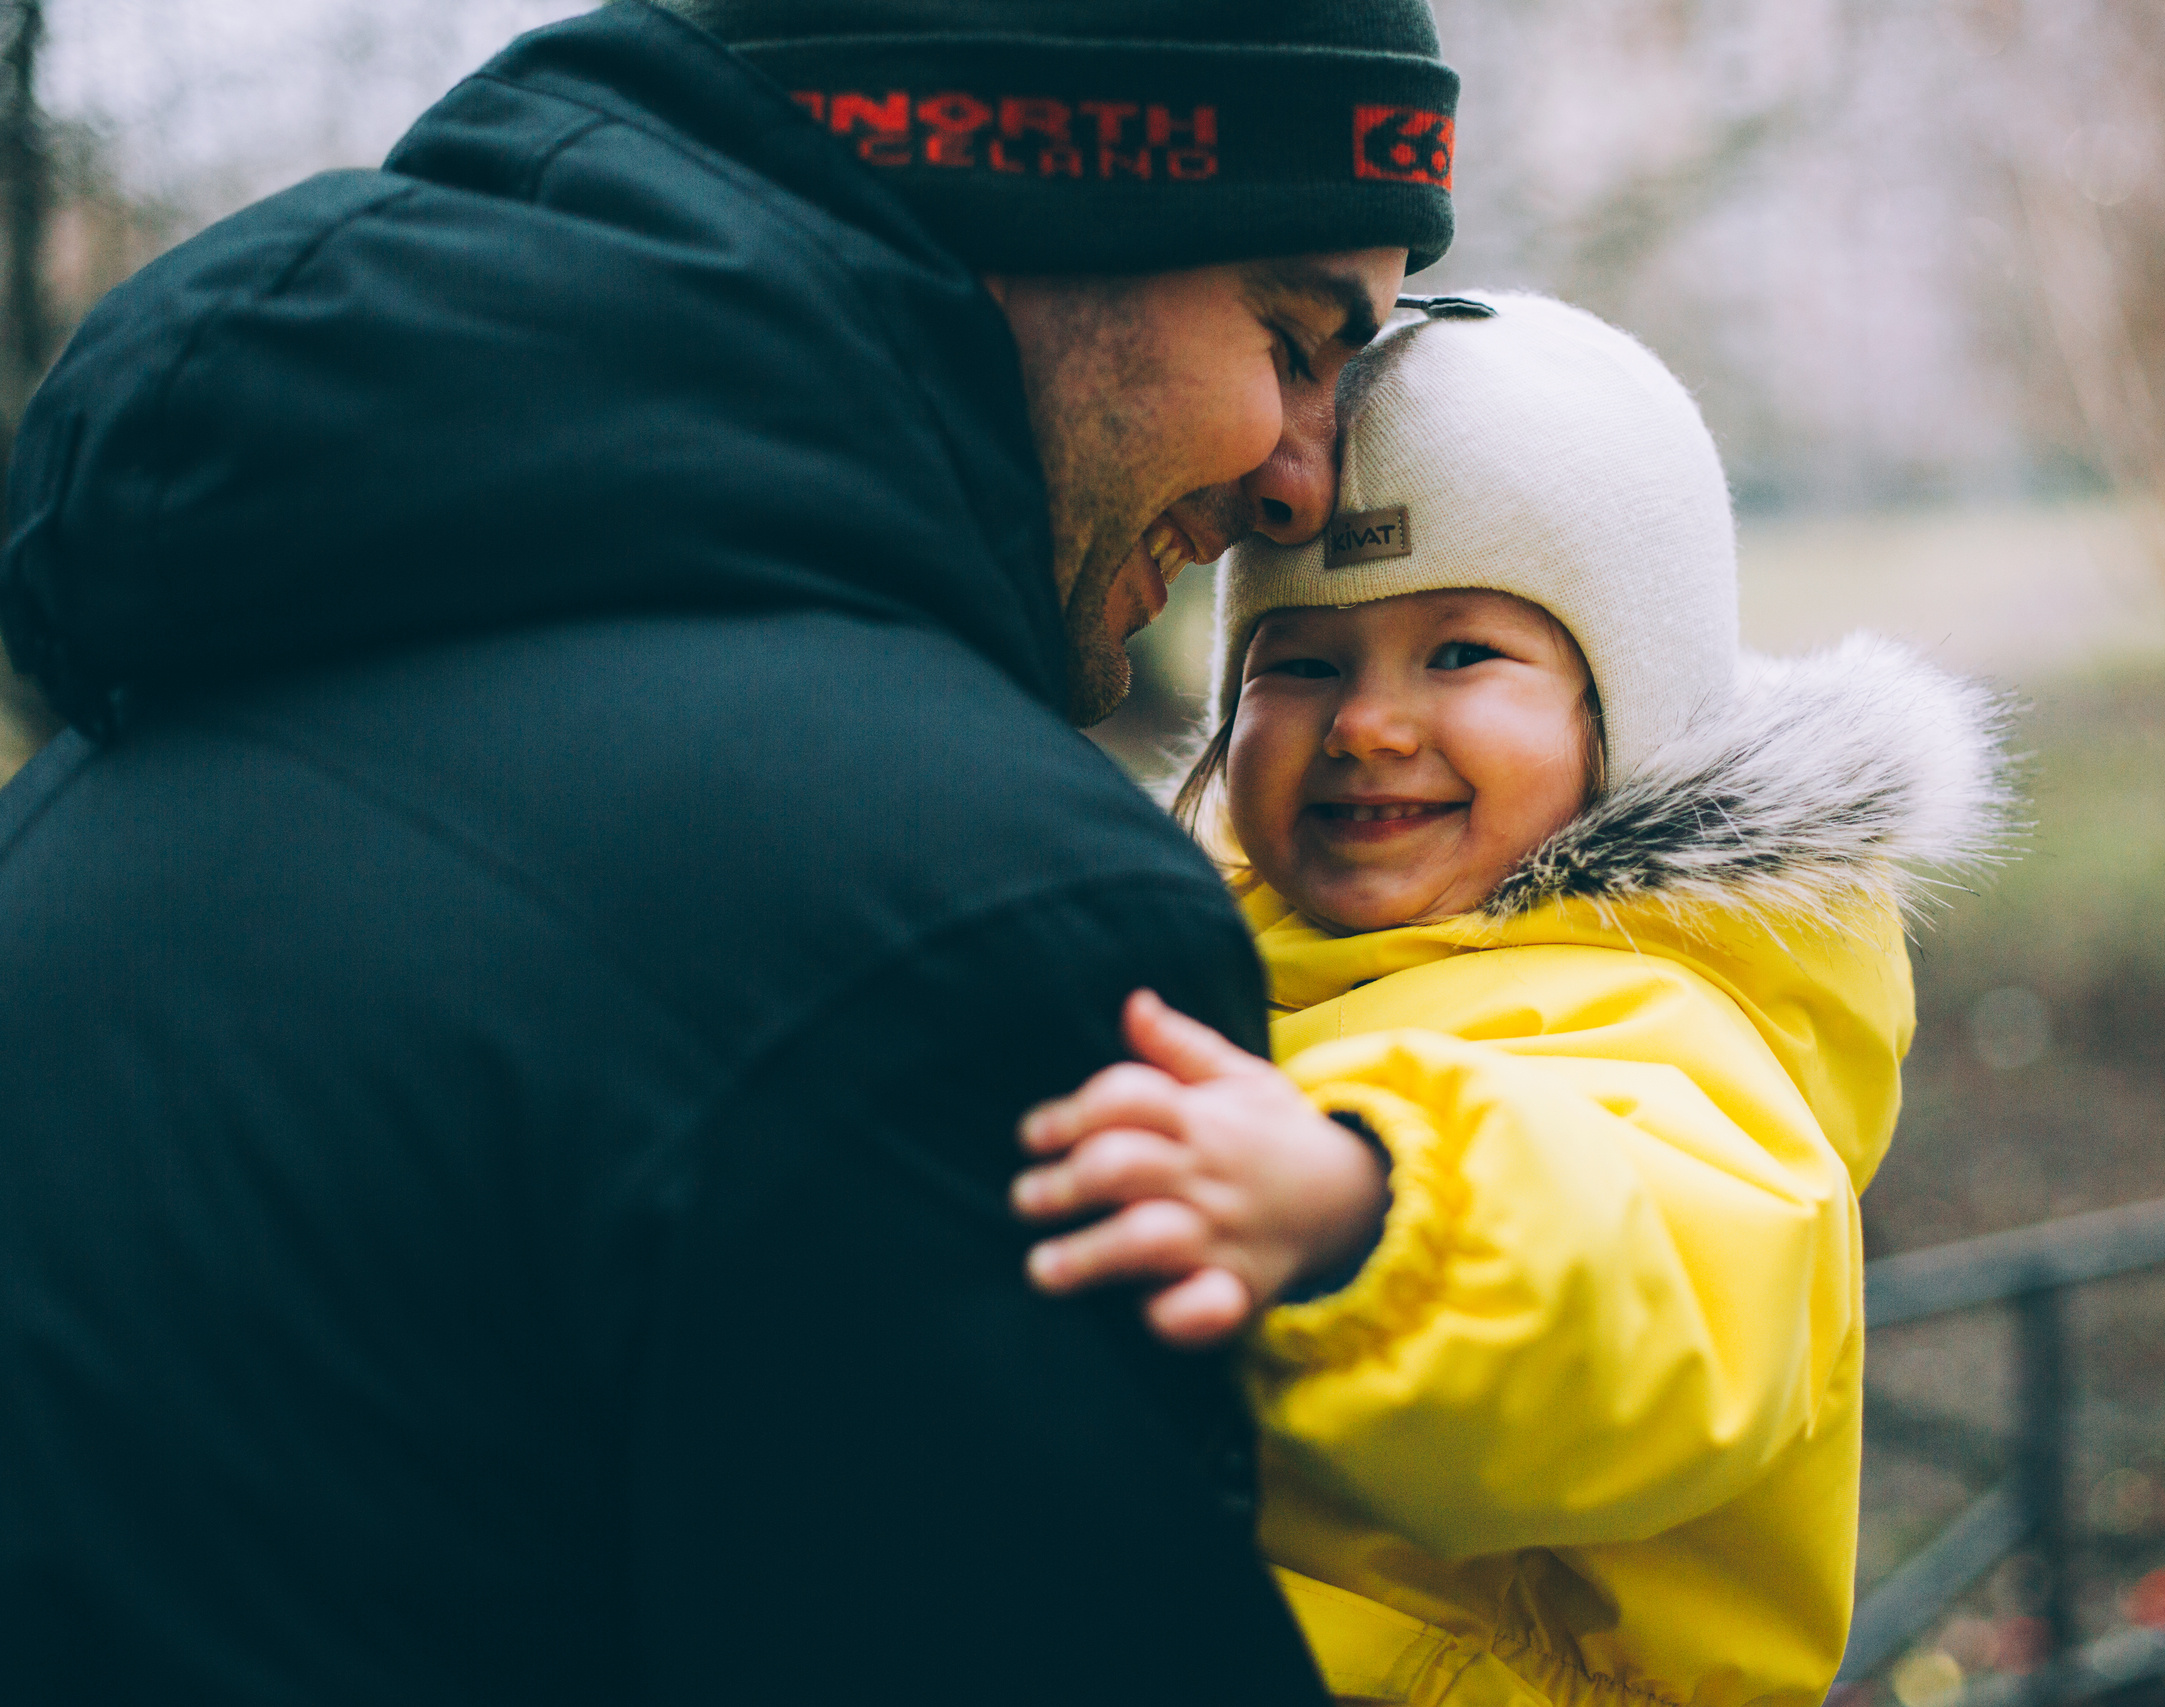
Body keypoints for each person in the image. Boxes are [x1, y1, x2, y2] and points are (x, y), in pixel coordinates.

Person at [0, 2, 1460, 1701]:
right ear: (1046, 209)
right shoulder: (960, 921)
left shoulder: (142, 745)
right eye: (1293, 337)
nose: (1307, 480)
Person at [1013, 295, 2016, 1706]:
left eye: (1462, 653)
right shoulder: (1224, 952)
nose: (1367, 721)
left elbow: (1651, 1291)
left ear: (1625, 709)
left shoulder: (1675, 1028)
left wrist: (1369, 1212)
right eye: (1299, 663)